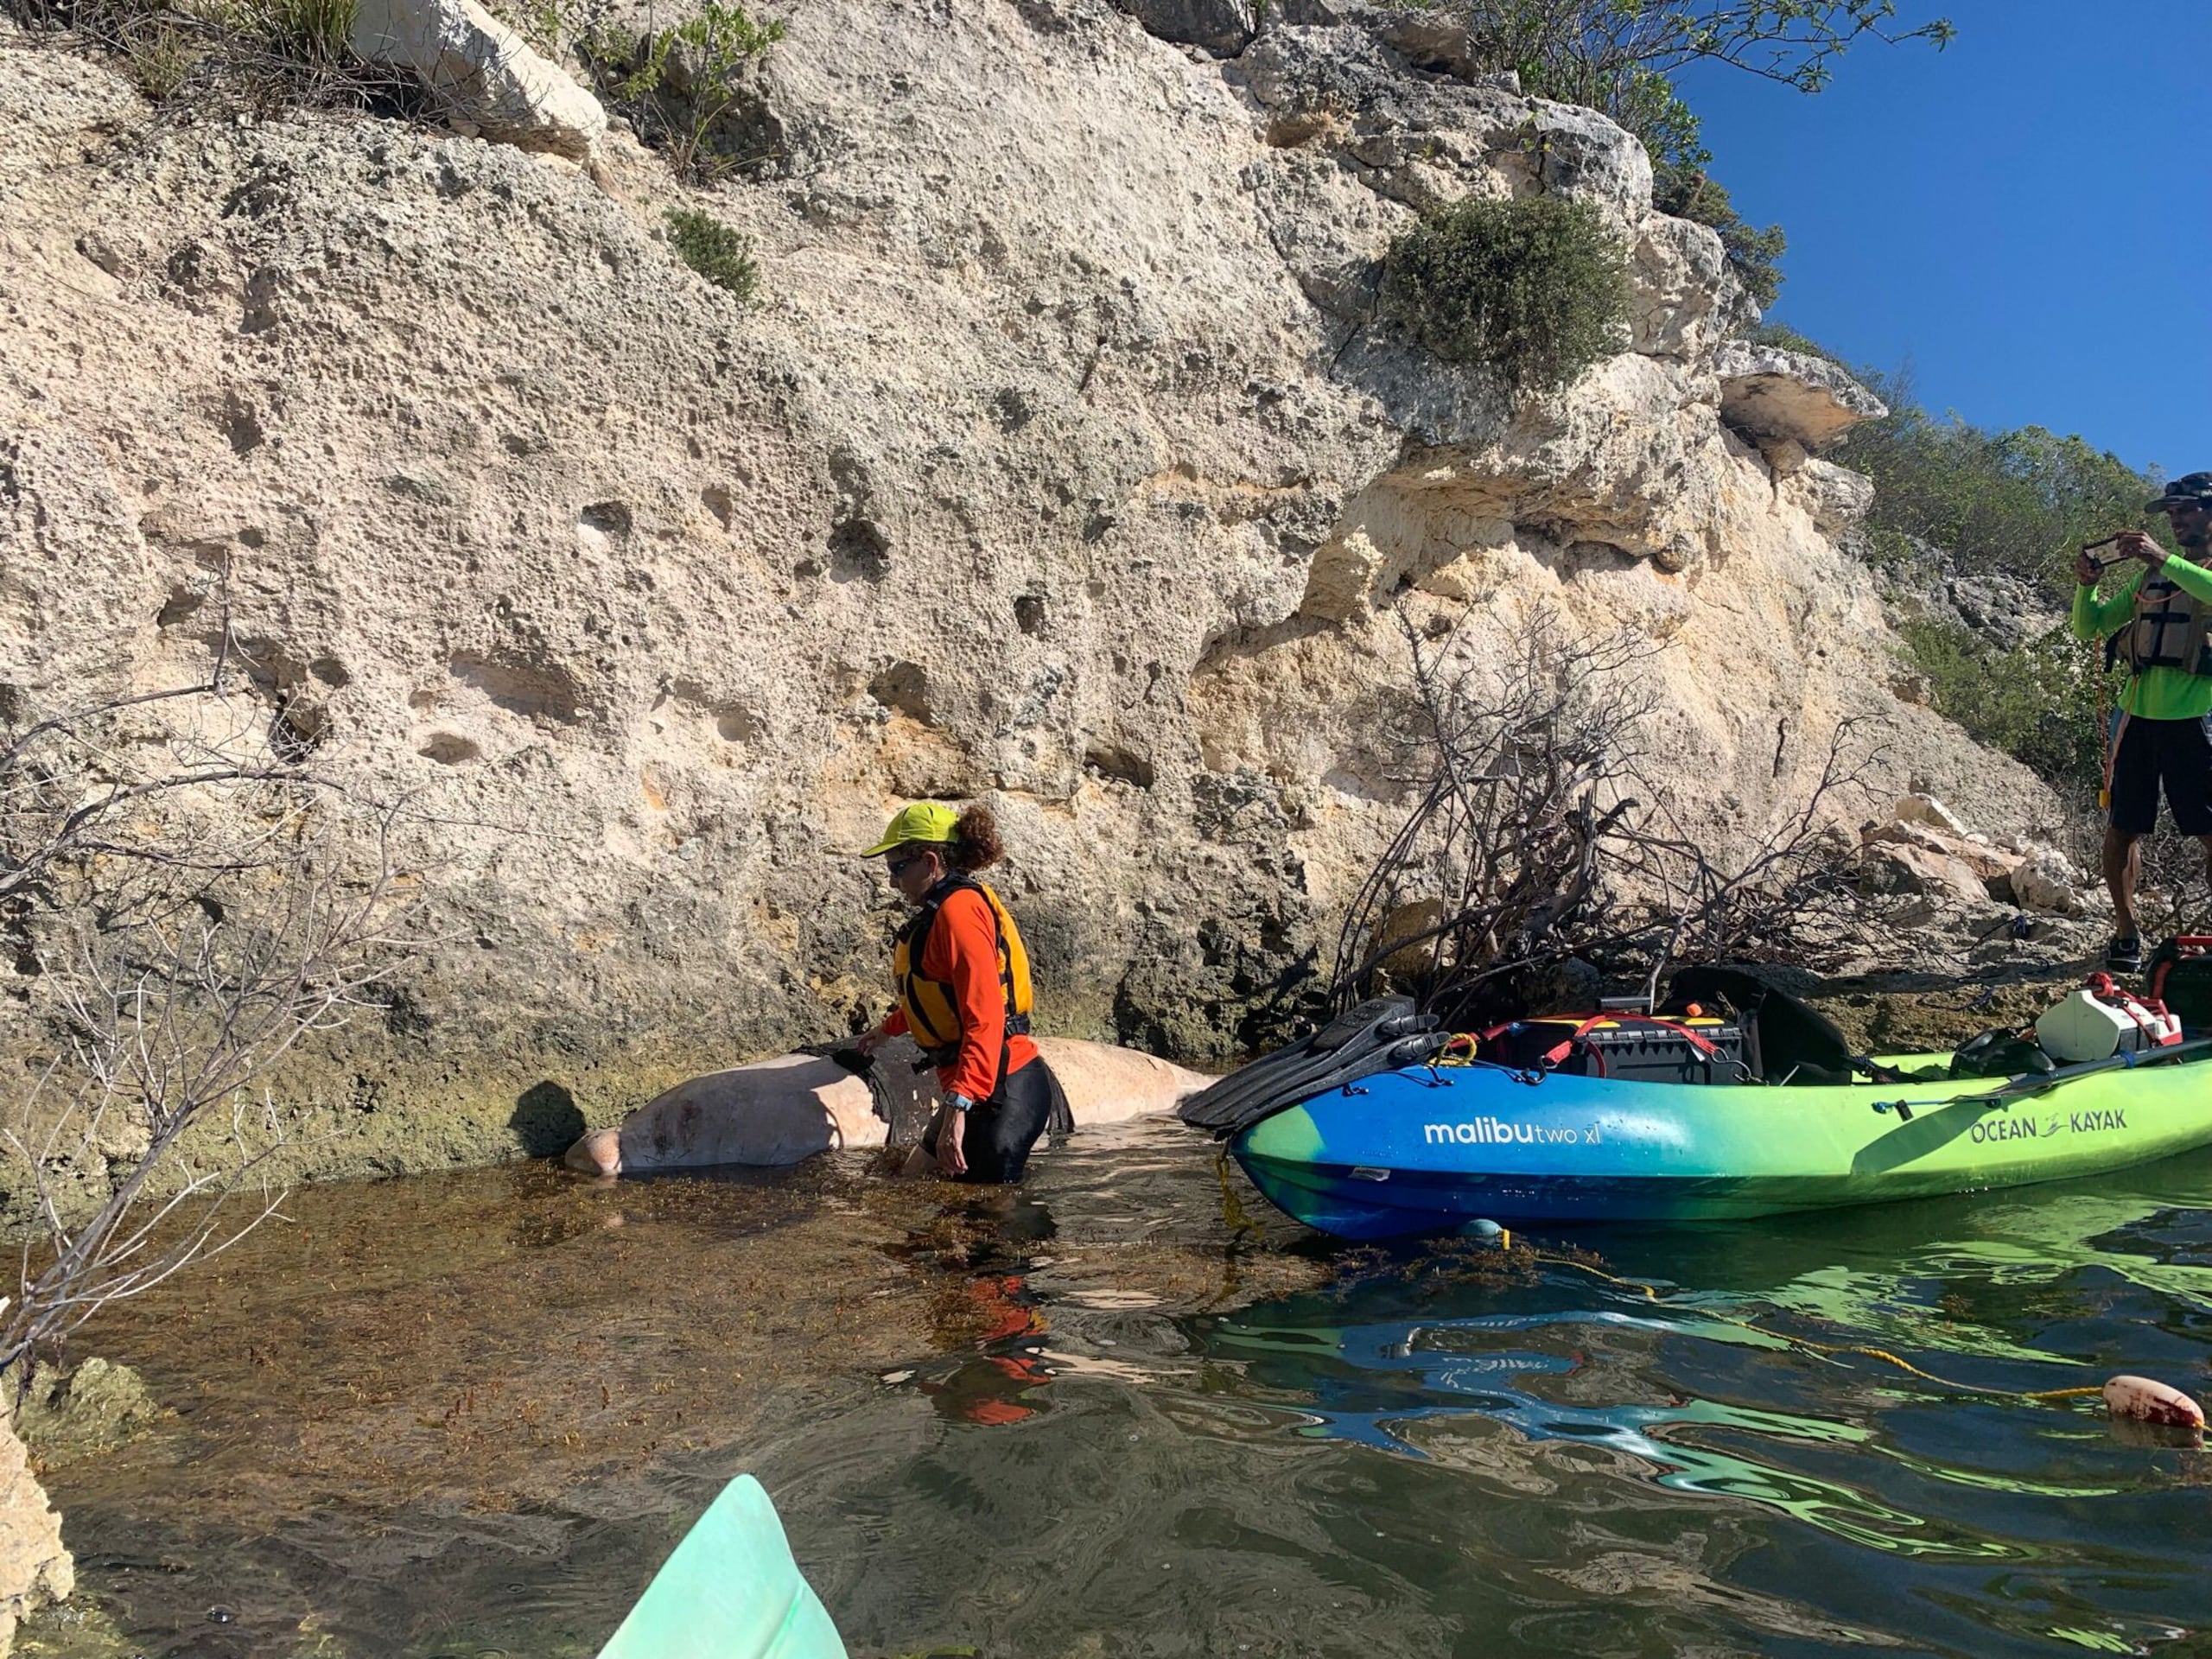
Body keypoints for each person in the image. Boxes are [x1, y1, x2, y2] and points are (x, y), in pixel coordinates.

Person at [850, 802, 1069, 1181]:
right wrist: (887, 1030)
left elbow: (985, 1017)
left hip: (1003, 1088)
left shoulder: (960, 913)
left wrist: (957, 1110)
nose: (892, 882)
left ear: (931, 861)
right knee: (908, 1183)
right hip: (978, 1087)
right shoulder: (942, 912)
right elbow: (940, 999)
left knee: (986, 1222)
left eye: (897, 868)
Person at [2071, 471, 2212, 971]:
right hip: (2134, 718)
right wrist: (2087, 587)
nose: (2176, 519)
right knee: (2122, 828)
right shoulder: (2147, 577)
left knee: (2208, 830)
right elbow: (2090, 626)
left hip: (2197, 719)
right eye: (2171, 513)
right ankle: (2126, 934)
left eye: (2185, 510)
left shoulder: (2176, 566)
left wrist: (2162, 558)